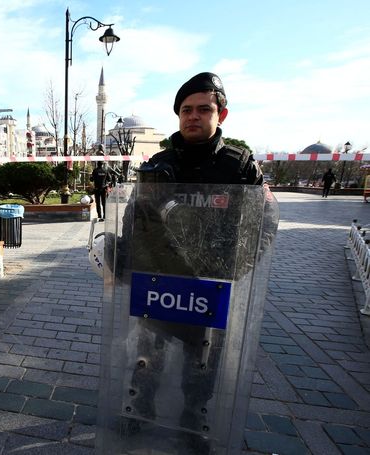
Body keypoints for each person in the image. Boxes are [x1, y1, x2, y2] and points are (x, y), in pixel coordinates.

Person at [124, 72, 269, 451]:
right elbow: (133, 218)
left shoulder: (239, 167)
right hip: (160, 283)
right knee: (147, 355)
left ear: (222, 114)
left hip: (210, 286)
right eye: (186, 110)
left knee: (202, 361)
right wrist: (130, 262)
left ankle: (193, 416)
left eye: (203, 109)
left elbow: (264, 222)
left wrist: (236, 269)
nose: (193, 116)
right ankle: (141, 407)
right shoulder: (158, 164)